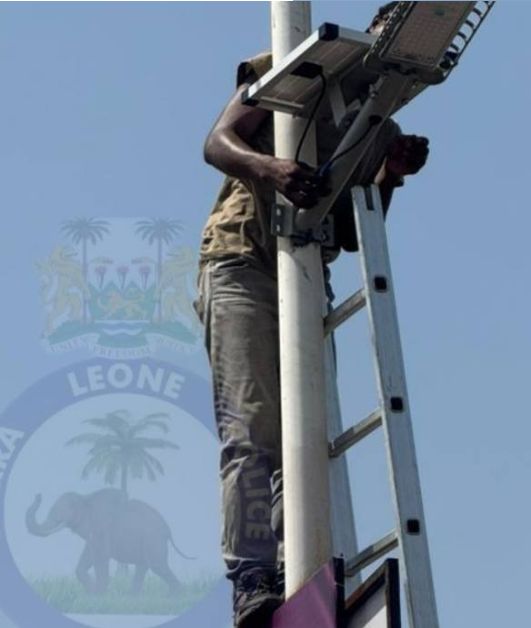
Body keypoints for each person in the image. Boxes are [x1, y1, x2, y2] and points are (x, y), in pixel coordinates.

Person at [195, 4, 429, 626]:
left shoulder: (379, 117)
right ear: (379, 25)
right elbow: (217, 144)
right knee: (253, 428)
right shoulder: (290, 59)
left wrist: (391, 176)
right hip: (241, 257)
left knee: (304, 434)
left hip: (304, 270)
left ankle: (296, 565)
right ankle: (251, 574)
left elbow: (352, 231)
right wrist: (269, 169)